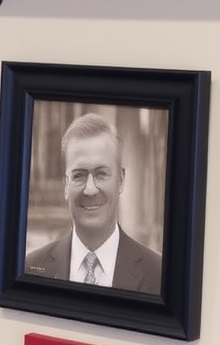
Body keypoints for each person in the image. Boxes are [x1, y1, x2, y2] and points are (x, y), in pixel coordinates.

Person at [24, 112, 163, 292]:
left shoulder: (158, 274)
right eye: (79, 175)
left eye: (101, 174)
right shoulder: (31, 269)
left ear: (121, 180)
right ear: (66, 185)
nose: (90, 189)